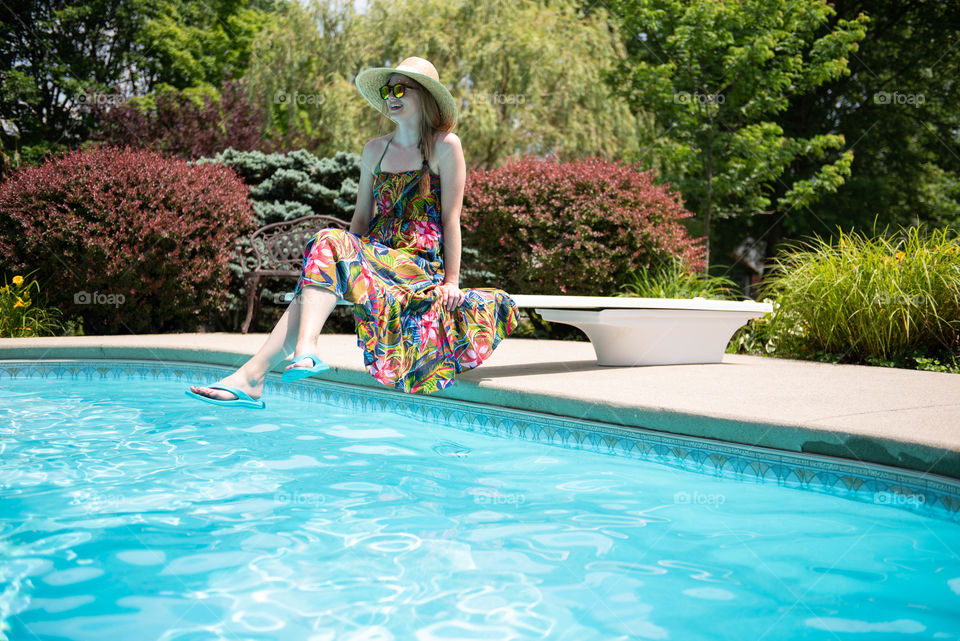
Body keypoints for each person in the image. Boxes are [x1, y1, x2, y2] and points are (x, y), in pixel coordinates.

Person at [187, 56, 520, 407]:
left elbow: (451, 218)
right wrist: (344, 259)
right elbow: (361, 217)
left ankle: (263, 371)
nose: (391, 96)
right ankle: (273, 367)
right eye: (387, 89)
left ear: (425, 96)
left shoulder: (444, 146)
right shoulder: (375, 150)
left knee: (327, 246)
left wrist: (452, 281)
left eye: (401, 89)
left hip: (417, 264)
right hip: (375, 254)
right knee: (327, 248)